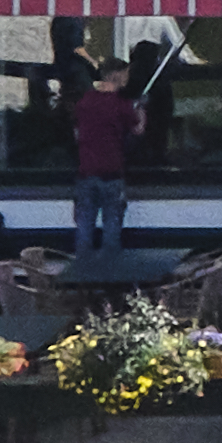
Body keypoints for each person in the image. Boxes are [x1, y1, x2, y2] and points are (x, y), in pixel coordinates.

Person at [62, 46, 143, 276]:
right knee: (111, 229)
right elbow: (137, 129)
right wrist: (142, 110)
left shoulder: (85, 102)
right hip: (112, 174)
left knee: (84, 228)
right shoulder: (120, 104)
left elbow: (77, 133)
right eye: (125, 74)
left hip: (86, 173)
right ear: (116, 76)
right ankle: (109, 279)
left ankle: (81, 277)